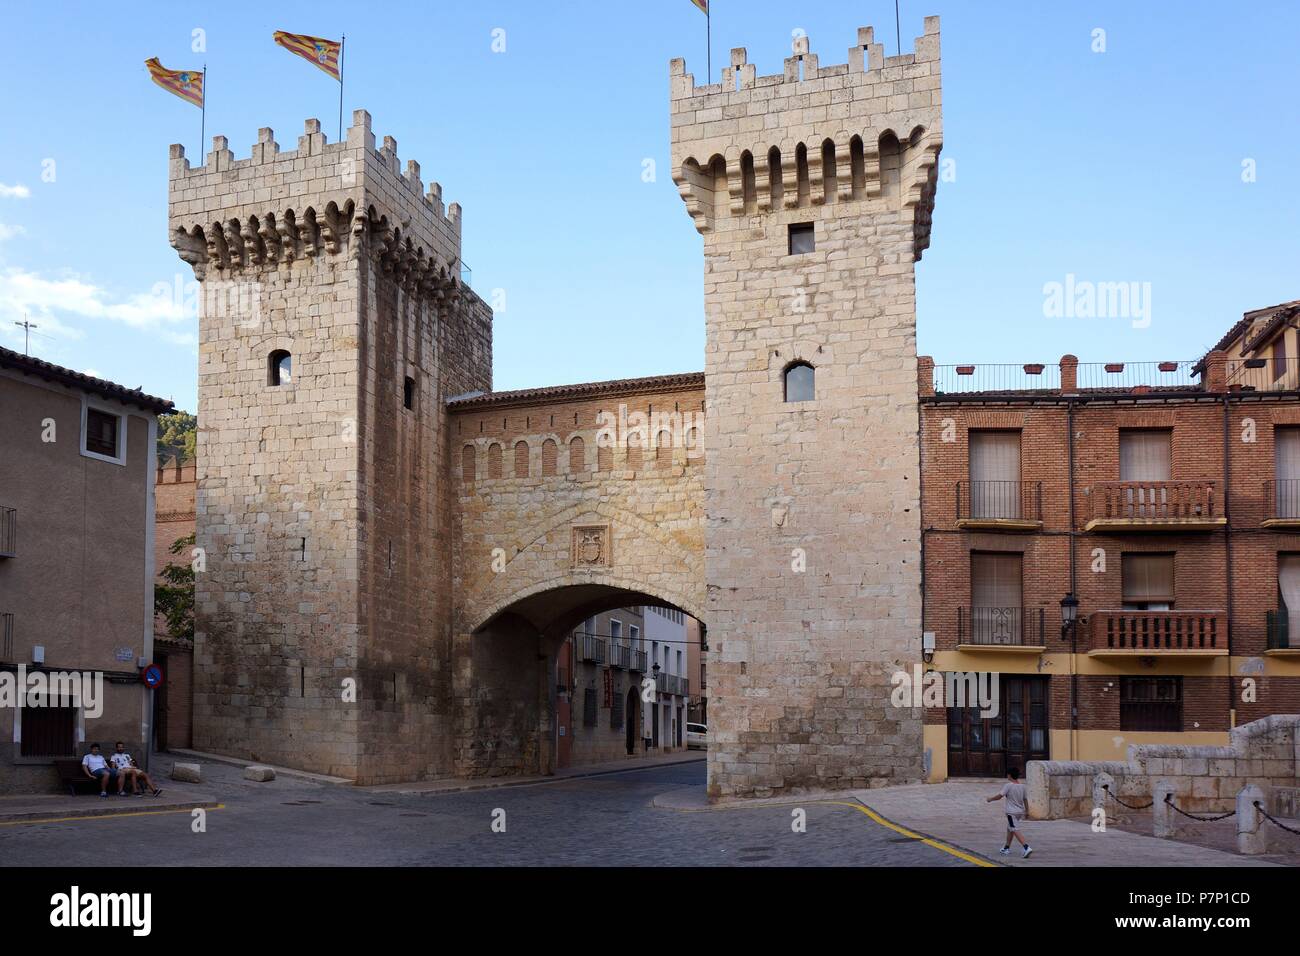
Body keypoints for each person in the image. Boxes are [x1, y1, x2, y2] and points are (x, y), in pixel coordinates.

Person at [986, 766, 1033, 858]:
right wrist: (1027, 811)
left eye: (1007, 774)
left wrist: (990, 799)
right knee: (1010, 828)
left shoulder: (1008, 785)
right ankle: (1006, 848)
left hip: (1011, 812)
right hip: (1020, 812)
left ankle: (1026, 847)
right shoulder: (1022, 786)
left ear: (1010, 775)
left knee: (1014, 828)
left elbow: (1000, 796)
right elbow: (1025, 800)